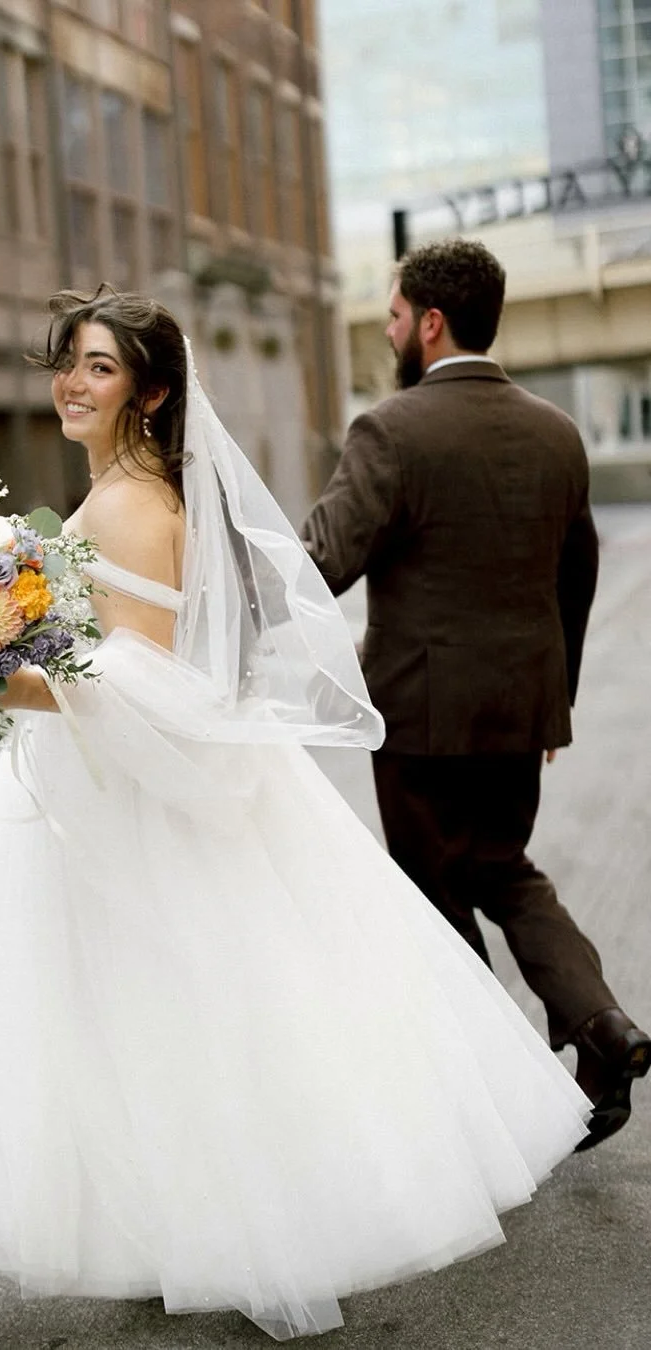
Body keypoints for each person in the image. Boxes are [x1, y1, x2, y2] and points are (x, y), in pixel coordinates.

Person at [0, 287, 591, 1343]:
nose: (72, 380)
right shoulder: (148, 488)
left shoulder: (124, 504)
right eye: (67, 359)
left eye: (100, 366)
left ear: (151, 392)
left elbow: (134, 681)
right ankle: (177, 1220)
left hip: (129, 797)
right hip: (129, 787)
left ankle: (213, 1225)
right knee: (167, 1010)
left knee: (166, 1013)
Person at [301, 238, 650, 1153]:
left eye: (389, 316)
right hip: (520, 709)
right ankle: (602, 1026)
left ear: (429, 320)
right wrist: (554, 701)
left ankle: (495, 1090)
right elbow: (578, 574)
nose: (385, 331)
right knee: (504, 871)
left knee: (434, 893)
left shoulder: (392, 430)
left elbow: (322, 562)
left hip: (420, 717)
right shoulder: (554, 432)